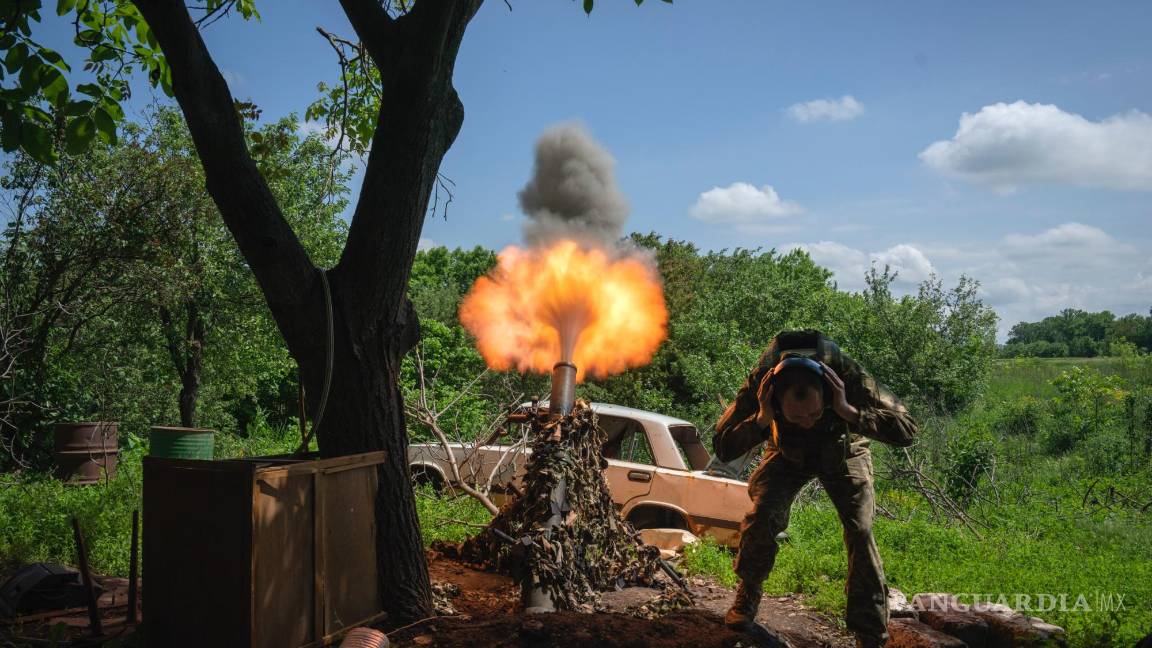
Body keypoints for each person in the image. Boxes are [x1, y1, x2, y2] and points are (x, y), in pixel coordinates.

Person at [715, 330, 918, 648]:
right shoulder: (762, 382)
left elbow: (907, 429)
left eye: (814, 413)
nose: (807, 421)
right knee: (763, 513)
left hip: (844, 451)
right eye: (797, 416)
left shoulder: (846, 374)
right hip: (787, 453)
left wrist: (849, 411)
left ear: (827, 391)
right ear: (775, 398)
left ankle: (870, 632)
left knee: (861, 531)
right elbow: (724, 445)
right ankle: (747, 596)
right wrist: (761, 419)